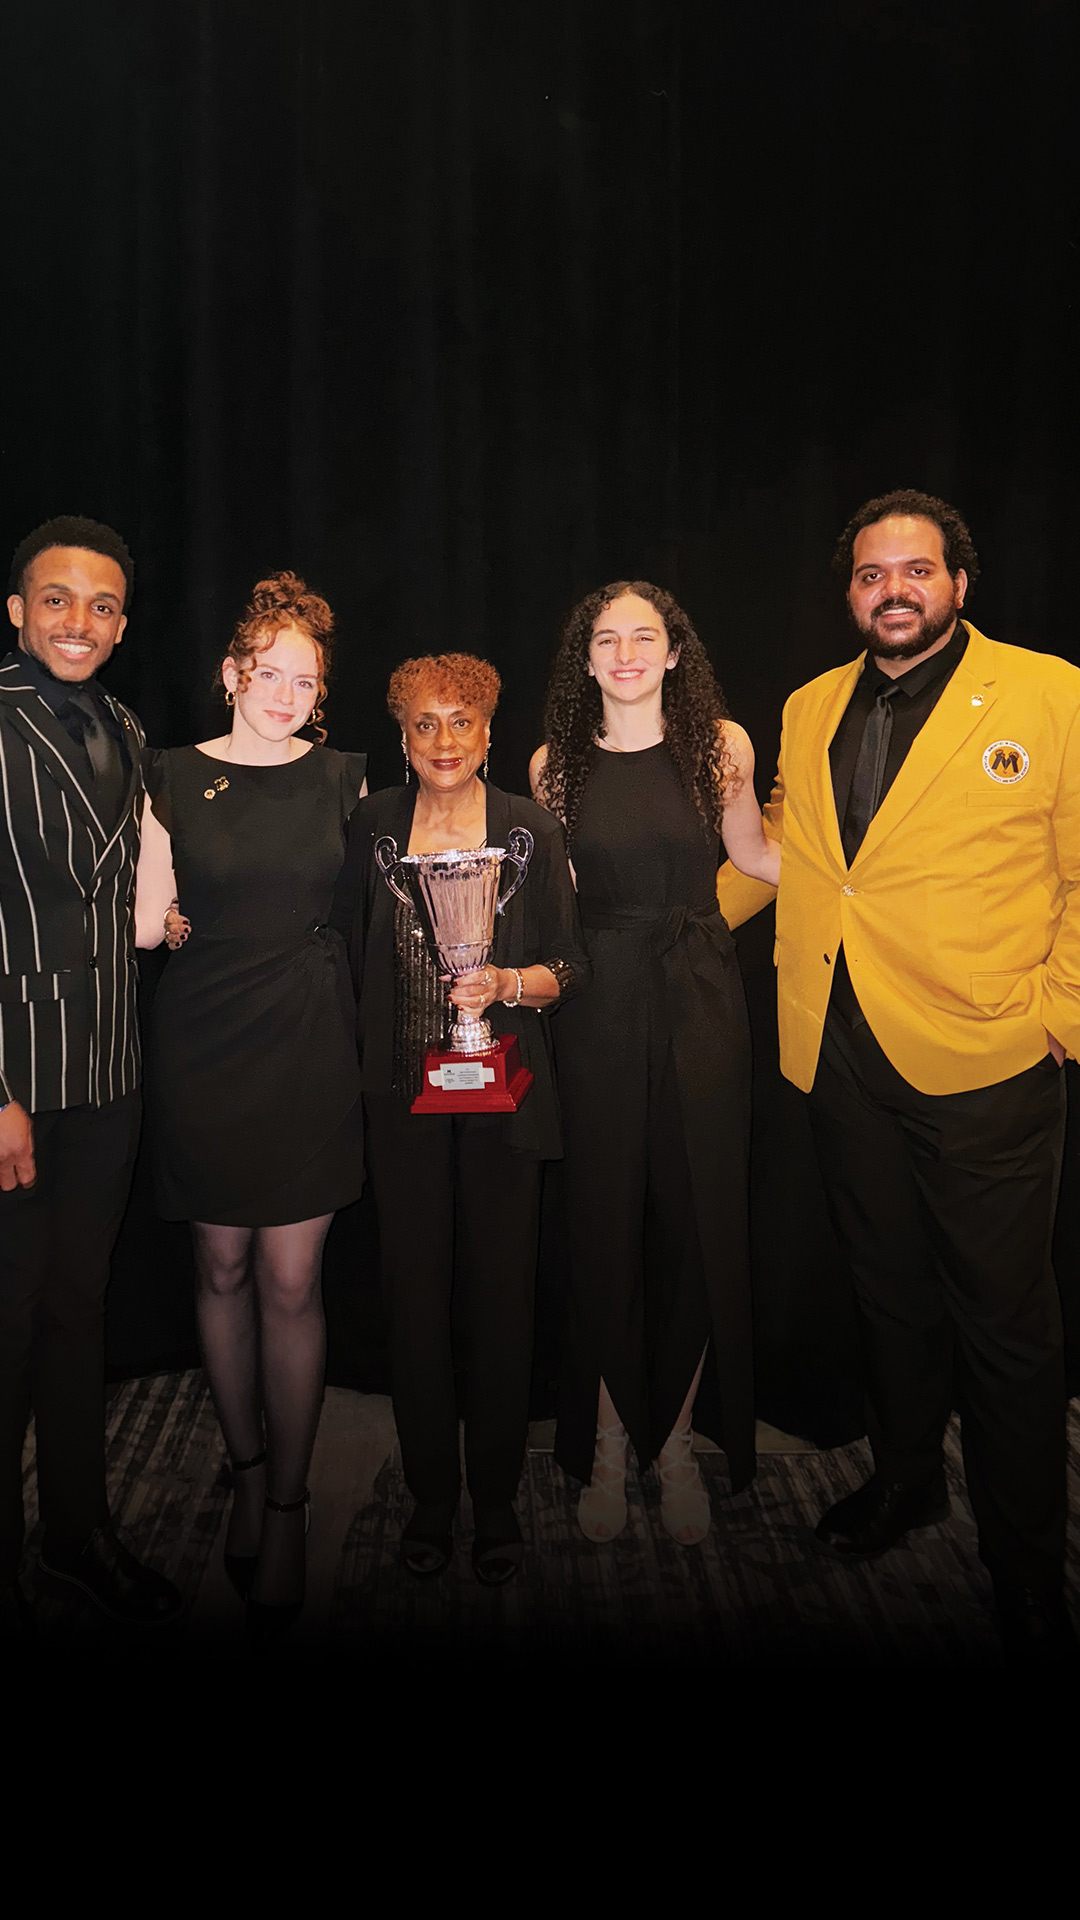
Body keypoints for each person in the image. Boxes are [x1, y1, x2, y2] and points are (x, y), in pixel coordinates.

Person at [716, 489, 1079, 1665]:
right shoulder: (812, 703)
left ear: (959, 583)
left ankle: (1027, 1566)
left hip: (988, 1060)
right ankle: (910, 1482)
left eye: (916, 570)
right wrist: (665, 923)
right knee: (887, 1293)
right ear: (851, 592)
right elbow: (792, 851)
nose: (894, 591)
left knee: (1007, 1328)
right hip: (840, 1051)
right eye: (872, 574)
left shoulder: (1051, 693)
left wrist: (1058, 1019)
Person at [134, 571, 365, 1644]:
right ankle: (245, 1468)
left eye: (302, 682)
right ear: (230, 673)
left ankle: (287, 1506)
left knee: (292, 1278)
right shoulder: (169, 775)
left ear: (320, 694)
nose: (283, 695)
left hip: (308, 1046)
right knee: (220, 1267)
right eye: (266, 674)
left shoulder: (346, 780)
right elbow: (145, 923)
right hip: (203, 1048)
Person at [332, 653, 589, 1584]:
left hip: (503, 1094)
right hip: (402, 1098)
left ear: (488, 732)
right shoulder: (372, 824)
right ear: (402, 737)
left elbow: (571, 966)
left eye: (462, 722)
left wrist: (508, 982)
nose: (444, 741)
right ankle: (433, 1496)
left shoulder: (530, 829)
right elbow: (344, 950)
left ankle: (496, 1499)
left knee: (501, 1297)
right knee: (414, 1300)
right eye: (425, 724)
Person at [532, 582, 765, 1546]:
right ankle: (608, 1442)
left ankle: (672, 1447)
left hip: (702, 997)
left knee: (697, 1222)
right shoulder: (555, 765)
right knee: (603, 1223)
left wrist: (884, 885)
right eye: (606, 639)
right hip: (597, 1005)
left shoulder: (723, 747)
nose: (625, 653)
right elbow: (554, 897)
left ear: (675, 653)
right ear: (585, 660)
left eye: (645, 636)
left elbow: (756, 858)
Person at [0, 515, 182, 1631]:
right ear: (17, 610)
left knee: (79, 1310)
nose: (81, 621)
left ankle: (76, 1536)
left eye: (103, 605)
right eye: (58, 599)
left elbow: (121, 887)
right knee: (7, 1325)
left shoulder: (125, 723)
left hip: (109, 1068)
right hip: (14, 1081)